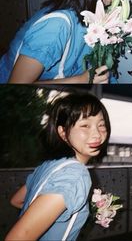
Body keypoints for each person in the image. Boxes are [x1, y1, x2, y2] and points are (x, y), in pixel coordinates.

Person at [5, 93, 111, 240]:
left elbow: (16, 200)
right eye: (85, 125)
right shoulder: (76, 174)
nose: (97, 134)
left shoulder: (49, 165)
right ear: (63, 133)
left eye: (101, 125)